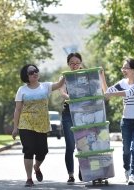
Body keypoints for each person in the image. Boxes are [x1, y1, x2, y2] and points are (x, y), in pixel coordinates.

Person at [12, 64, 65, 187]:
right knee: (29, 150)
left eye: (36, 71)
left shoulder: (45, 86)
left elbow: (58, 85)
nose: (34, 73)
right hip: (26, 123)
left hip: (42, 124)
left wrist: (65, 76)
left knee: (43, 151)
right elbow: (18, 110)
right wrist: (15, 127)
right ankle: (29, 178)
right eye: (31, 72)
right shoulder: (22, 90)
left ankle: (37, 167)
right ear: (26, 76)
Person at [100, 58, 134, 185]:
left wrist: (111, 95)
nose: (123, 70)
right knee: (126, 150)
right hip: (126, 121)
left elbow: (128, 93)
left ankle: (133, 175)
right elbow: (107, 92)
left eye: (126, 68)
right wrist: (102, 77)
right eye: (123, 68)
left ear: (133, 70)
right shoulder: (122, 82)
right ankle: (127, 170)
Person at [58, 52, 83, 184]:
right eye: (72, 63)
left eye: (77, 63)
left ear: (81, 64)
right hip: (68, 113)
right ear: (68, 64)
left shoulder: (86, 75)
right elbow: (62, 92)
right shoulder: (64, 76)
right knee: (70, 145)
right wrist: (71, 98)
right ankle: (71, 174)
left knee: (83, 144)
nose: (74, 65)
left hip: (83, 113)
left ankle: (83, 169)